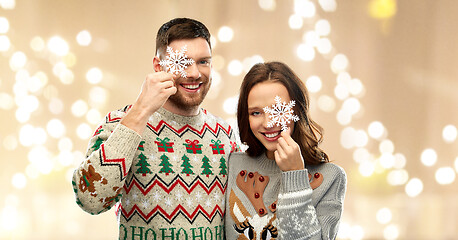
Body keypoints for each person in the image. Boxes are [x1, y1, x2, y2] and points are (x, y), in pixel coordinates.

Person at [72, 18, 240, 240]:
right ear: (158, 66)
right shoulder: (120, 122)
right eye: (182, 61)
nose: (194, 73)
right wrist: (141, 110)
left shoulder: (224, 133)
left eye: (203, 62)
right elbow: (90, 200)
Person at [225, 62, 347, 240]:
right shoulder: (233, 164)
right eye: (256, 113)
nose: (268, 123)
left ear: (297, 109)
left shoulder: (331, 178)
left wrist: (295, 175)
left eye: (278, 110)